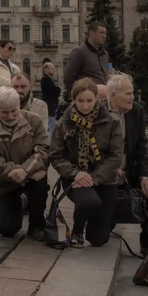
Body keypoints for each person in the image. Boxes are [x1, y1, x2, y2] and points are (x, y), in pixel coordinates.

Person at [50, 78, 122, 247]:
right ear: (73, 100)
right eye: (80, 101)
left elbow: (115, 156)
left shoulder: (111, 122)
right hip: (75, 176)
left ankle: (94, 222)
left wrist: (95, 178)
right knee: (90, 202)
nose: (85, 106)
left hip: (104, 178)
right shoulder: (64, 123)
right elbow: (56, 155)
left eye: (89, 100)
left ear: (97, 99)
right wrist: (76, 173)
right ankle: (77, 229)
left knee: (99, 239)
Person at [0, 87, 50, 241]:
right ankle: (21, 202)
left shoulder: (34, 121)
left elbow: (43, 150)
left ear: (19, 106)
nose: (10, 116)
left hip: (31, 175)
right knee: (7, 230)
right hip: (4, 180)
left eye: (14, 111)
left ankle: (37, 225)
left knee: (40, 182)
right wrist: (18, 171)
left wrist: (25, 170)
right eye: (4, 112)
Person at [107, 74, 148, 253]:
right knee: (101, 233)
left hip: (131, 172)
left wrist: (145, 176)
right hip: (106, 174)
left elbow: (142, 146)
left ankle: (147, 244)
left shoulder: (137, 111)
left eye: (132, 93)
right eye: (127, 93)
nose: (132, 97)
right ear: (113, 96)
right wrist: (110, 169)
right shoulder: (100, 114)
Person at [63, 21, 110, 92]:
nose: (104, 36)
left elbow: (107, 72)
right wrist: (78, 97)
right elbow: (68, 79)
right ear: (91, 34)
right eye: (101, 33)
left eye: (105, 34)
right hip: (88, 99)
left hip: (104, 98)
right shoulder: (79, 52)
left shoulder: (104, 54)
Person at [41, 62, 61, 134]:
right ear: (46, 69)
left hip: (52, 106)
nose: (54, 70)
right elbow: (55, 90)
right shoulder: (46, 79)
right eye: (52, 68)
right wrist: (58, 89)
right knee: (51, 124)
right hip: (50, 106)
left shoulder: (50, 79)